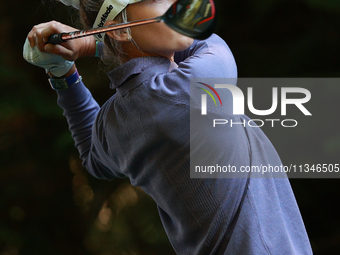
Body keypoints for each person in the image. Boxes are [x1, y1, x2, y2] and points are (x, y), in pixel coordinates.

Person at [23, 0, 313, 254]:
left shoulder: (116, 119)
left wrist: (63, 71)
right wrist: (93, 45)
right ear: (120, 28)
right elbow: (202, 37)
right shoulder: (193, 87)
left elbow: (90, 152)